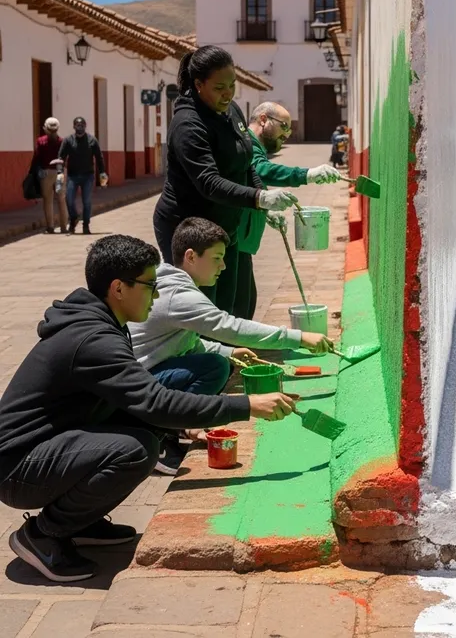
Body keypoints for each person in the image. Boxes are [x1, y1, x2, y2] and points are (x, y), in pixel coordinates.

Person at [0, 235, 299, 582]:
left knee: (148, 427)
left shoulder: (103, 321)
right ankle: (43, 534)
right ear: (119, 288)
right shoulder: (94, 340)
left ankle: (79, 520)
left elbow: (144, 397)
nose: (156, 296)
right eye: (150, 286)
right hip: (17, 468)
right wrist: (246, 405)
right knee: (136, 450)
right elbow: (156, 402)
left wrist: (182, 422)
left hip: (49, 445)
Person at [129, 217, 331, 474]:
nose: (223, 266)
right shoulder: (179, 296)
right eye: (216, 258)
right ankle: (160, 438)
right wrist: (299, 337)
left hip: (146, 373)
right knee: (213, 368)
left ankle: (177, 426)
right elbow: (231, 327)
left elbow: (183, 342)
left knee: (217, 362)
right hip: (140, 384)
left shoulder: (174, 284)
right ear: (191, 256)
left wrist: (228, 351)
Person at [153, 47, 298, 312]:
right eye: (220, 87)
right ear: (198, 85)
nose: (228, 93)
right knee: (203, 308)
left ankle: (228, 352)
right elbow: (208, 182)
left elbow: (244, 163)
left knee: (232, 304)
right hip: (189, 228)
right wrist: (259, 198)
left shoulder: (231, 111)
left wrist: (262, 202)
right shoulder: (188, 124)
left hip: (223, 225)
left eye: (232, 85)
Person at [234, 102, 341, 319]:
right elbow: (261, 170)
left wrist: (266, 213)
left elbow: (251, 182)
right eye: (284, 126)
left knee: (246, 303)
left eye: (290, 130)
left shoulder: (256, 148)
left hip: (244, 243)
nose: (287, 135)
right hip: (235, 240)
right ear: (263, 120)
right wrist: (307, 174)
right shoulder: (248, 144)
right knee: (239, 306)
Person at [59, 116, 108, 235]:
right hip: (72, 176)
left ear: (85, 126)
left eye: (81, 125)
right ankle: (73, 218)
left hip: (88, 176)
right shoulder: (68, 140)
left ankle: (86, 225)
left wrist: (102, 174)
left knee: (86, 201)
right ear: (74, 126)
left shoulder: (92, 140)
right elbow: (61, 157)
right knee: (69, 199)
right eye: (77, 125)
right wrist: (59, 172)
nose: (79, 127)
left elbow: (99, 158)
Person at [31, 117, 68, 234]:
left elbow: (37, 157)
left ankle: (50, 226)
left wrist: (33, 171)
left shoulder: (41, 141)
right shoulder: (62, 141)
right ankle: (63, 227)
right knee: (61, 199)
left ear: (45, 129)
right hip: (59, 172)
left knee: (48, 200)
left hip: (46, 172)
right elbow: (65, 158)